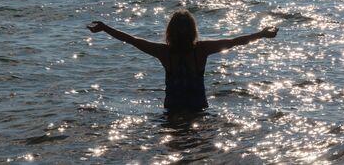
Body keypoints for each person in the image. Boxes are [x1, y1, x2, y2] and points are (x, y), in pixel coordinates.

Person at [87, 9, 278, 112]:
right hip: (198, 111)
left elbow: (131, 40)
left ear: (169, 31)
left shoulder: (164, 52)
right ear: (193, 30)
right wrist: (261, 35)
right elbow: (234, 42)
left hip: (172, 111)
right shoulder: (201, 50)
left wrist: (105, 28)